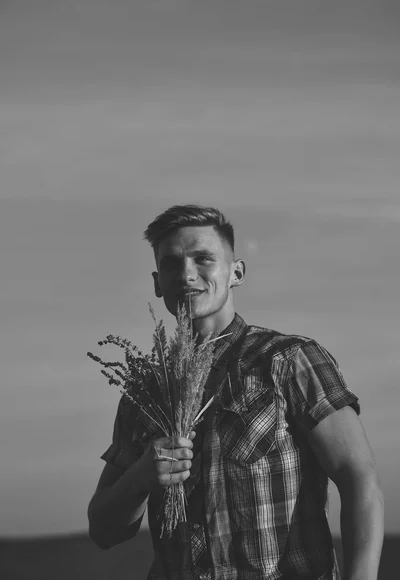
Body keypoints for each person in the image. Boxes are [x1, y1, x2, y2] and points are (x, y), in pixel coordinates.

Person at [88, 204, 384, 580]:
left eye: (203, 259)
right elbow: (103, 529)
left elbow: (358, 478)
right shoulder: (145, 391)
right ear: (157, 282)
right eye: (172, 264)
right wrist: (143, 474)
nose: (187, 274)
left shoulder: (288, 360)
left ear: (236, 273)